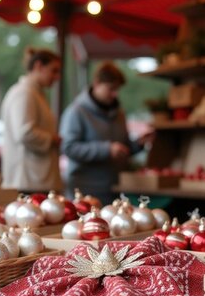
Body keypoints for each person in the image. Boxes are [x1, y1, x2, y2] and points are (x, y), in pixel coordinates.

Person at [60, 61, 151, 204]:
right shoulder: (76, 112)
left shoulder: (119, 114)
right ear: (97, 84)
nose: (115, 94)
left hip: (114, 191)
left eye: (118, 89)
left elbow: (123, 146)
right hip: (85, 193)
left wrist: (138, 144)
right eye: (111, 88)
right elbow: (68, 147)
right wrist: (106, 149)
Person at [0, 47, 62, 192]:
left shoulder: (34, 93)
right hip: (28, 181)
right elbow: (24, 133)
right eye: (54, 70)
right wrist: (52, 139)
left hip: (33, 179)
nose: (57, 77)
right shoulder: (24, 93)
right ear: (38, 66)